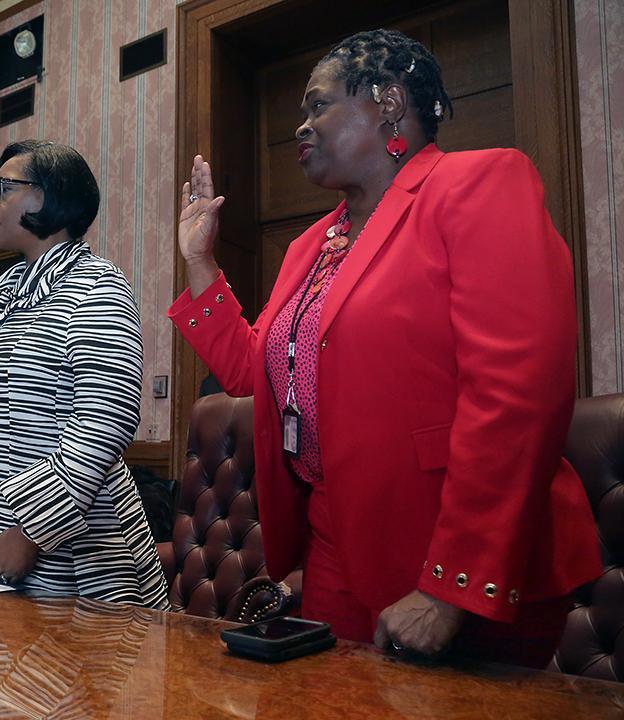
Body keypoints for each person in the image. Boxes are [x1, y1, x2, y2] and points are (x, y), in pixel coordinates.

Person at [169, 29, 600, 666]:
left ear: (390, 102)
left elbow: (518, 392)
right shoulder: (310, 246)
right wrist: (200, 261)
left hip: (455, 545)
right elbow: (253, 371)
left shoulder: (478, 183)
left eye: (318, 106)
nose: (301, 127)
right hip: (334, 544)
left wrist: (451, 587)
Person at [0, 140, 168, 609]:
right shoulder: (3, 291)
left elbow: (105, 421)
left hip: (66, 556)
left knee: (61, 677)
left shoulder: (97, 285)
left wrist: (32, 528)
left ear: (49, 197)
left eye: (5, 188)